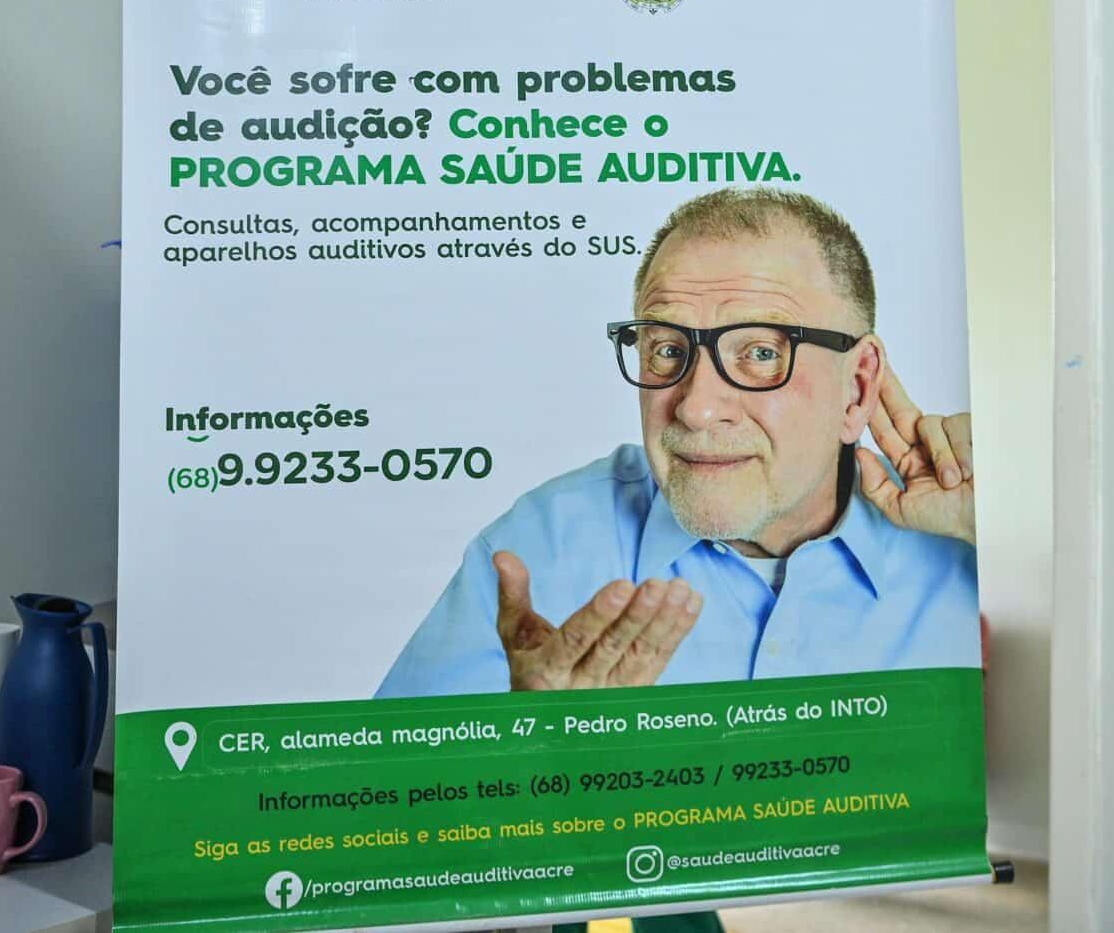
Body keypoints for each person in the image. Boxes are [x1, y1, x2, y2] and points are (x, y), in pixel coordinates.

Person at [375, 187, 978, 698]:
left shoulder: (971, 541)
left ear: (857, 388)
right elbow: (386, 797)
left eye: (760, 353)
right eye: (667, 349)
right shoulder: (539, 551)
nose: (696, 406)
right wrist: (531, 755)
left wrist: (1012, 534)